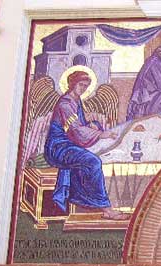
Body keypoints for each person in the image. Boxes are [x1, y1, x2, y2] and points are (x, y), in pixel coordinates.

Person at [44, 70, 126, 220]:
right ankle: (106, 208)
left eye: (86, 86)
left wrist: (92, 124)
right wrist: (101, 134)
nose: (83, 89)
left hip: (70, 143)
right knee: (93, 161)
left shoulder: (76, 101)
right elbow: (76, 130)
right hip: (59, 147)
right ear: (72, 84)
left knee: (98, 155)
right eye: (81, 85)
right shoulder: (65, 103)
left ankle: (86, 202)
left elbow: (79, 123)